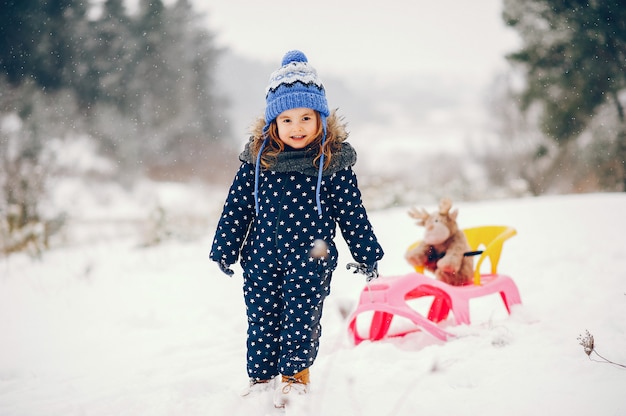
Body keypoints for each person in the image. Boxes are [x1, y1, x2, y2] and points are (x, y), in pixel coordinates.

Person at [209, 50, 384, 408]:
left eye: (306, 117)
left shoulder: (331, 162)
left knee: (301, 319)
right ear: (273, 123)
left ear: (321, 119)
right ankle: (260, 378)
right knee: (261, 318)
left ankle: (294, 377)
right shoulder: (258, 160)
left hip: (311, 257)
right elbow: (237, 207)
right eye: (287, 120)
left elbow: (351, 212)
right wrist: (225, 248)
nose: (297, 127)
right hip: (260, 257)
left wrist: (367, 254)